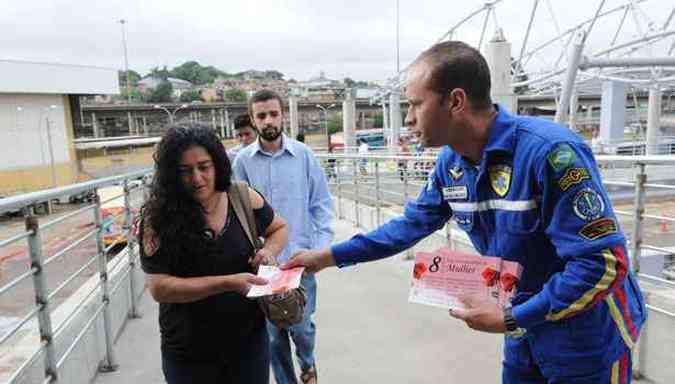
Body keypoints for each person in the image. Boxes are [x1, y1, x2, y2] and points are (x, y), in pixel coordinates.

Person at [284, 41, 645, 383]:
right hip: (523, 330)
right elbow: (409, 226)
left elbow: (602, 263)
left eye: (415, 105)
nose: (408, 119)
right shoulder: (451, 164)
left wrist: (511, 317)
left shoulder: (551, 153)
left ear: (455, 101)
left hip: (588, 338)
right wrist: (327, 256)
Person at [138, 124, 289, 384]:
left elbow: (279, 228)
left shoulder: (242, 196)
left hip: (248, 346)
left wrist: (269, 251)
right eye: (185, 171)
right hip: (188, 354)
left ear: (218, 164)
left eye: (204, 167)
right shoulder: (157, 219)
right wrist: (228, 282)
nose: (197, 179)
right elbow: (159, 287)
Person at [232, 90, 335, 384]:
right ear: (253, 120)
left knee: (301, 328)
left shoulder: (304, 156)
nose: (268, 121)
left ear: (283, 115)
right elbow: (240, 212)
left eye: (273, 114)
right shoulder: (243, 162)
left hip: (300, 259)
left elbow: (322, 206)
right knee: (274, 337)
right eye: (261, 116)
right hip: (265, 264)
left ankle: (308, 364)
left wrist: (320, 249)